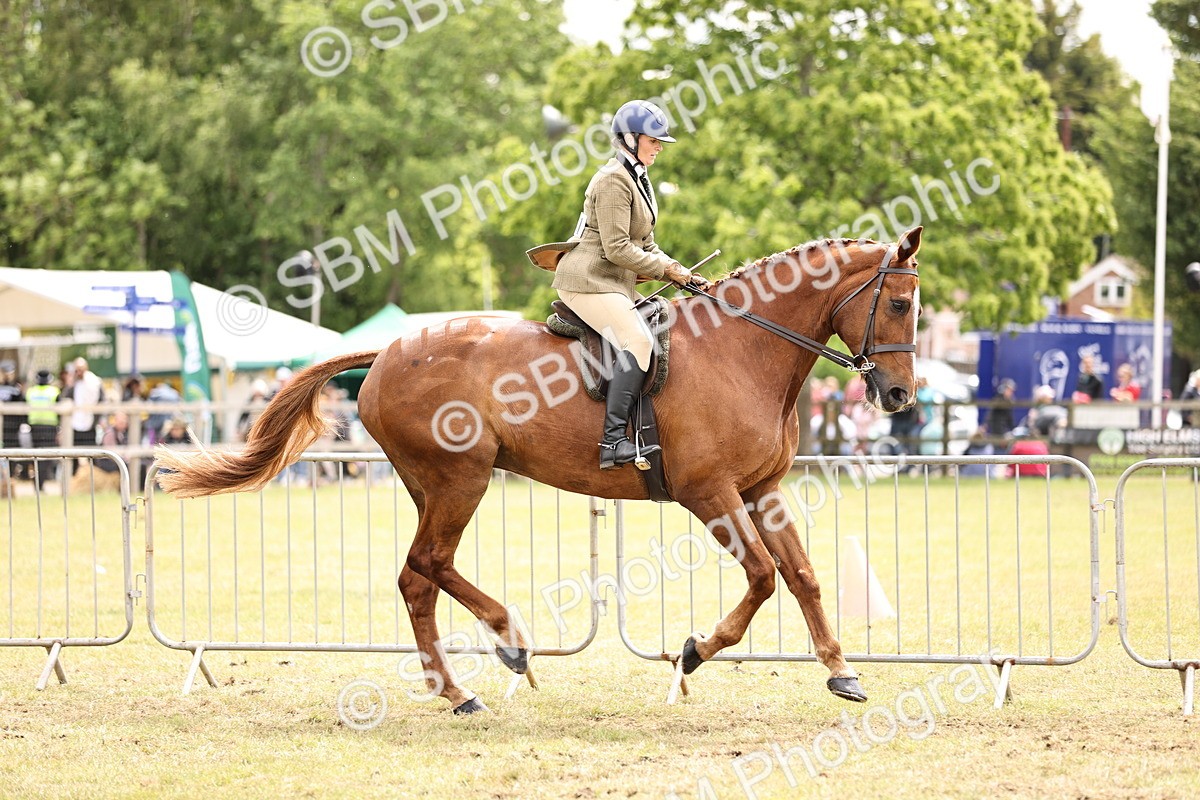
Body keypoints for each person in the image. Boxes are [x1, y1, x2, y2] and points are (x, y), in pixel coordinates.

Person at [536, 99, 711, 470]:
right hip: (588, 279)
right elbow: (617, 248)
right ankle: (613, 441)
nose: (659, 147)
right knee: (638, 339)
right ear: (630, 139)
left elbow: (646, 245)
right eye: (654, 140)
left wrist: (678, 270)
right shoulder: (613, 179)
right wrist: (667, 271)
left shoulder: (637, 178)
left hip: (613, 281)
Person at [66, 357, 103, 473]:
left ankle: (96, 478)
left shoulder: (95, 381)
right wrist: (71, 383)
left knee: (92, 455)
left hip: (90, 424)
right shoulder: (73, 384)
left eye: (81, 370)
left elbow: (101, 400)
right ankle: (72, 479)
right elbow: (65, 397)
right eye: (77, 370)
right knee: (72, 455)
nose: (79, 373)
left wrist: (98, 420)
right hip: (75, 424)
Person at [25, 369, 61, 489]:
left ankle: (37, 482)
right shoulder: (54, 391)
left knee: (35, 455)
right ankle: (40, 482)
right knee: (46, 456)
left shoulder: (31, 392)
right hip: (50, 427)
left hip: (34, 427)